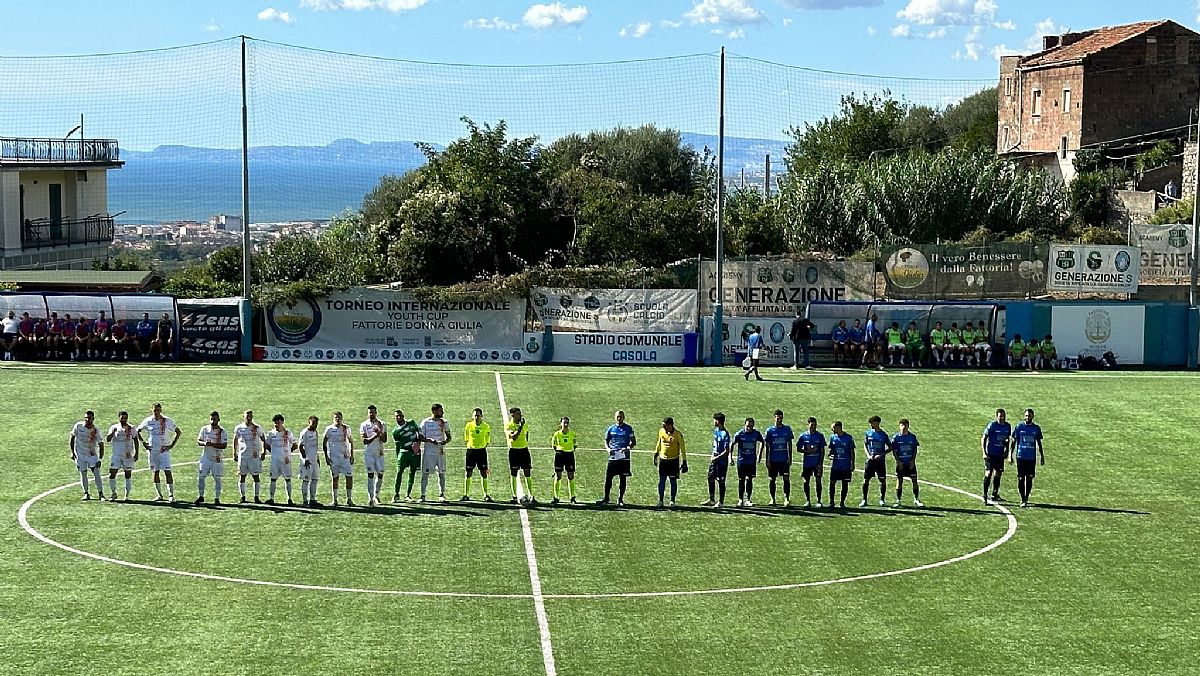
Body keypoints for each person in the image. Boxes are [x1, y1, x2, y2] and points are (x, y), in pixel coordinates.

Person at [137, 403, 180, 502]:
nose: (156, 412)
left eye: (158, 410)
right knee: (155, 471)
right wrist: (144, 443)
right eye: (155, 410)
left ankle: (171, 495)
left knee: (167, 471)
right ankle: (159, 495)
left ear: (161, 410)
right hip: (152, 451)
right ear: (151, 410)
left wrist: (171, 445)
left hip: (163, 450)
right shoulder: (148, 421)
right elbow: (137, 431)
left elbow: (178, 432)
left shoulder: (166, 420)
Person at [597, 410, 635, 506]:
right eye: (618, 416)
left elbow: (633, 442)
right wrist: (608, 449)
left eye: (621, 416)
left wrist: (627, 448)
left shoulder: (628, 429)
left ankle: (620, 499)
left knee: (623, 479)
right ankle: (606, 498)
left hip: (624, 458)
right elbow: (606, 440)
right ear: (615, 417)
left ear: (624, 417)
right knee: (608, 478)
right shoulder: (611, 429)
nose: (619, 418)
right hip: (613, 457)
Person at [1009, 408, 1045, 508]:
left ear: (1032, 416)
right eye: (1026, 415)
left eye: (1029, 415)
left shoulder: (1036, 428)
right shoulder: (1019, 426)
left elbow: (1039, 443)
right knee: (1021, 478)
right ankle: (1022, 498)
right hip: (1020, 456)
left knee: (1029, 478)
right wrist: (1010, 454)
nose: (1027, 417)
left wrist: (1041, 456)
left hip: (1031, 457)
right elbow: (1014, 441)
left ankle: (1026, 498)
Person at [418, 403, 451, 503]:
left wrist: (445, 441)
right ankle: (423, 495)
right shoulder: (425, 422)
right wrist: (430, 440)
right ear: (434, 411)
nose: (443, 413)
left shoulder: (444, 422)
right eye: (440, 411)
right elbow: (420, 436)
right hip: (429, 451)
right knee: (425, 473)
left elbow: (449, 437)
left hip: (440, 451)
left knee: (441, 473)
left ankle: (442, 495)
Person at [70, 410, 105, 500]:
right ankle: (86, 493)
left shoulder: (96, 430)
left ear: (93, 419)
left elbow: (101, 444)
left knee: (96, 472)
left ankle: (101, 493)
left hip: (91, 454)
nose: (87, 420)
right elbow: (72, 437)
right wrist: (72, 452)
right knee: (83, 473)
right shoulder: (78, 426)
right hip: (80, 454)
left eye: (89, 418)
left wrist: (100, 459)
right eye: (86, 418)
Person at [233, 410, 267, 504]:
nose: (249, 418)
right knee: (242, 476)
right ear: (243, 416)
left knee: (256, 476)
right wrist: (234, 453)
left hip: (254, 456)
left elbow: (263, 439)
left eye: (250, 416)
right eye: (247, 416)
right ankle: (243, 497)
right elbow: (235, 440)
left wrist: (264, 451)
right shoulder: (239, 428)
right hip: (243, 456)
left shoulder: (257, 428)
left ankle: (256, 497)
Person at [652, 417, 686, 508]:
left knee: (673, 481)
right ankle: (660, 500)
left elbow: (682, 448)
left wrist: (684, 461)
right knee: (662, 481)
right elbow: (659, 442)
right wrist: (656, 453)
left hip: (673, 461)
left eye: (664, 425)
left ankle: (672, 501)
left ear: (670, 425)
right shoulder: (661, 431)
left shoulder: (677, 434)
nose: (663, 426)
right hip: (663, 460)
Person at [323, 411, 355, 506]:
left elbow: (351, 441)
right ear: (333, 419)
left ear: (342, 418)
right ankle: (335, 500)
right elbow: (324, 443)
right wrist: (326, 457)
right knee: (335, 478)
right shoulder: (329, 429)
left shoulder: (346, 428)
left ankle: (349, 499)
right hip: (334, 458)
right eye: (335, 417)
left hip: (345, 458)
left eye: (339, 417)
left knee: (349, 477)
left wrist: (352, 455)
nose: (337, 419)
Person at [195, 411, 227, 505]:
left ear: (219, 420)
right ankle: (201, 496)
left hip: (217, 458)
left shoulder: (222, 432)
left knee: (217, 478)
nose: (213, 421)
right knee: (201, 476)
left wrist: (212, 444)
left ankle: (217, 498)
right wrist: (204, 443)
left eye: (215, 419)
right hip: (205, 457)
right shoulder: (205, 429)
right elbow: (199, 441)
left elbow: (224, 445)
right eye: (212, 419)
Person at [762, 409, 793, 507]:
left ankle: (786, 498)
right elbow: (767, 446)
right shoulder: (770, 431)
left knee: (786, 479)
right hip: (773, 459)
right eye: (777, 418)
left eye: (781, 418)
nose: (779, 420)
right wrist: (767, 459)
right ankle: (773, 499)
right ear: (774, 417)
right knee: (772, 479)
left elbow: (790, 444)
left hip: (784, 459)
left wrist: (790, 457)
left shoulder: (787, 429)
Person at [505, 406, 535, 504]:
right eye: (518, 414)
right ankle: (514, 496)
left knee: (527, 473)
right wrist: (520, 427)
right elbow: (513, 437)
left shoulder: (525, 425)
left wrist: (524, 443)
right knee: (514, 473)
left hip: (524, 451)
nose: (520, 415)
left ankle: (531, 495)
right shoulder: (509, 425)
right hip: (514, 452)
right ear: (513, 415)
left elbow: (526, 436)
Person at [462, 407, 493, 502]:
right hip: (471, 451)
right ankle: (466, 494)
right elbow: (466, 438)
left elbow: (488, 439)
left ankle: (486, 494)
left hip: (481, 452)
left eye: (478, 415)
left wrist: (483, 445)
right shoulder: (468, 425)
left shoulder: (486, 426)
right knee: (468, 473)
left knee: (484, 473)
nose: (476, 417)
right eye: (475, 415)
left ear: (481, 416)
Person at [982, 408, 1012, 505]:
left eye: (1004, 416)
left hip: (1000, 454)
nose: (1002, 418)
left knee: (998, 473)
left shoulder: (1007, 426)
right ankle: (985, 495)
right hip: (991, 453)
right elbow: (984, 438)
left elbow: (1007, 440)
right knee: (988, 473)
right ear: (997, 417)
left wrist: (1006, 451)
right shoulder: (992, 425)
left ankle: (994, 494)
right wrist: (984, 452)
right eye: (1000, 416)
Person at [265, 414, 296, 506]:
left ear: (282, 422)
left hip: (286, 461)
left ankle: (289, 499)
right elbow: (267, 444)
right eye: (275, 423)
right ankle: (271, 498)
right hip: (275, 461)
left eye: (278, 422)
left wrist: (288, 452)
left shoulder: (288, 433)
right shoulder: (271, 434)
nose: (276, 424)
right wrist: (273, 452)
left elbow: (295, 444)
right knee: (273, 479)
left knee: (288, 479)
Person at [360, 404, 388, 507]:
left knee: (380, 474)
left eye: (373, 412)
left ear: (376, 413)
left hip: (379, 453)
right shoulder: (364, 425)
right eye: (369, 412)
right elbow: (364, 441)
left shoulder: (382, 424)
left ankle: (376, 495)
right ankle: (370, 498)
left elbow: (385, 440)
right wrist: (375, 435)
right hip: (369, 454)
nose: (371, 414)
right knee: (370, 474)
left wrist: (380, 432)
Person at [106, 411, 138, 501]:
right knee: (112, 473)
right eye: (122, 418)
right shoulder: (114, 427)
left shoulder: (131, 428)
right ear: (119, 418)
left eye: (125, 418)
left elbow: (136, 439)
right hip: (116, 455)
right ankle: (113, 493)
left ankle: (127, 496)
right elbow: (108, 439)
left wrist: (136, 453)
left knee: (128, 475)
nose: (124, 420)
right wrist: (112, 433)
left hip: (127, 455)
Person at [702, 412, 732, 507]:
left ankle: (721, 502)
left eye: (715, 420)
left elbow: (727, 451)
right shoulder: (716, 431)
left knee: (721, 480)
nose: (713, 422)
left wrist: (716, 458)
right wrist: (712, 455)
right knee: (710, 478)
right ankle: (711, 499)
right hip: (714, 460)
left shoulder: (725, 434)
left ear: (718, 421)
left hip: (722, 462)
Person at [860, 415, 890, 507]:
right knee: (866, 480)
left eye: (872, 423)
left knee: (882, 480)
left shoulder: (883, 435)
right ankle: (864, 499)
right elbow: (865, 445)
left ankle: (882, 499)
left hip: (880, 461)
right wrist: (868, 455)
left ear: (877, 423)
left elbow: (890, 447)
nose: (871, 425)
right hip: (870, 460)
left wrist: (881, 455)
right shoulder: (868, 433)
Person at [391, 409, 421, 503]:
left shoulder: (412, 423)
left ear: (403, 416)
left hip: (414, 453)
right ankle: (396, 494)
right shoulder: (395, 431)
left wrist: (418, 445)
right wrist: (397, 457)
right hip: (403, 453)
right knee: (399, 473)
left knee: (412, 473)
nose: (399, 417)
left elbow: (419, 434)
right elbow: (397, 445)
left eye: (400, 415)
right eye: (397, 416)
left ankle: (408, 495)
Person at [892, 418, 922, 507]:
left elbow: (915, 449)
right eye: (902, 425)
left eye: (905, 425)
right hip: (901, 463)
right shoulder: (896, 437)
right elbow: (894, 450)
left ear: (908, 426)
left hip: (910, 463)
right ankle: (898, 500)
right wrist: (898, 461)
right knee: (899, 481)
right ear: (899, 426)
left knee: (914, 480)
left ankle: (916, 499)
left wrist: (913, 460)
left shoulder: (912, 437)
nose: (904, 427)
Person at [733, 417, 763, 507]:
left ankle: (748, 499)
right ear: (744, 425)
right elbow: (732, 444)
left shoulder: (756, 434)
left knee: (749, 479)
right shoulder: (739, 434)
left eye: (751, 426)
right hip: (742, 461)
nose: (749, 428)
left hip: (751, 462)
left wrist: (759, 455)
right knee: (741, 480)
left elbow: (762, 442)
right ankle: (740, 500)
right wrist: (730, 457)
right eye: (747, 426)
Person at [797, 416, 826, 508]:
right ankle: (808, 500)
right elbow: (798, 448)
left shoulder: (820, 436)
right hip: (807, 463)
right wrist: (807, 451)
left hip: (817, 463)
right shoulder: (803, 436)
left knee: (818, 481)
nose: (813, 427)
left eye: (815, 425)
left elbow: (822, 450)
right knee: (806, 481)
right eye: (812, 425)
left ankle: (819, 500)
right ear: (808, 424)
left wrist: (820, 464)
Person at [826, 421, 855, 509]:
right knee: (832, 483)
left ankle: (842, 503)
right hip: (835, 466)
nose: (832, 429)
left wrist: (852, 463)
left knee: (845, 483)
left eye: (833, 427)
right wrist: (830, 456)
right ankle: (831, 502)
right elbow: (831, 451)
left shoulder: (848, 438)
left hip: (845, 466)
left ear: (839, 427)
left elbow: (852, 451)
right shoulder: (832, 438)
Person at [551, 416, 577, 505]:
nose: (565, 424)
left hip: (569, 455)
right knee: (558, 476)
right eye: (564, 423)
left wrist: (569, 450)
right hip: (559, 456)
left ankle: (572, 497)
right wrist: (559, 451)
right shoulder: (556, 434)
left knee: (571, 476)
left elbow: (575, 445)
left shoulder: (572, 434)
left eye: (567, 423)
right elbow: (553, 445)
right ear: (560, 424)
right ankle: (556, 497)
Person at [298, 415, 322, 507]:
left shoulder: (315, 432)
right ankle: (304, 500)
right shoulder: (304, 433)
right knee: (306, 480)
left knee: (315, 479)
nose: (315, 425)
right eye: (313, 423)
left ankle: (312, 499)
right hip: (307, 461)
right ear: (309, 422)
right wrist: (305, 459)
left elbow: (315, 447)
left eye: (316, 423)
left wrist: (317, 458)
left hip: (314, 460)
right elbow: (301, 446)